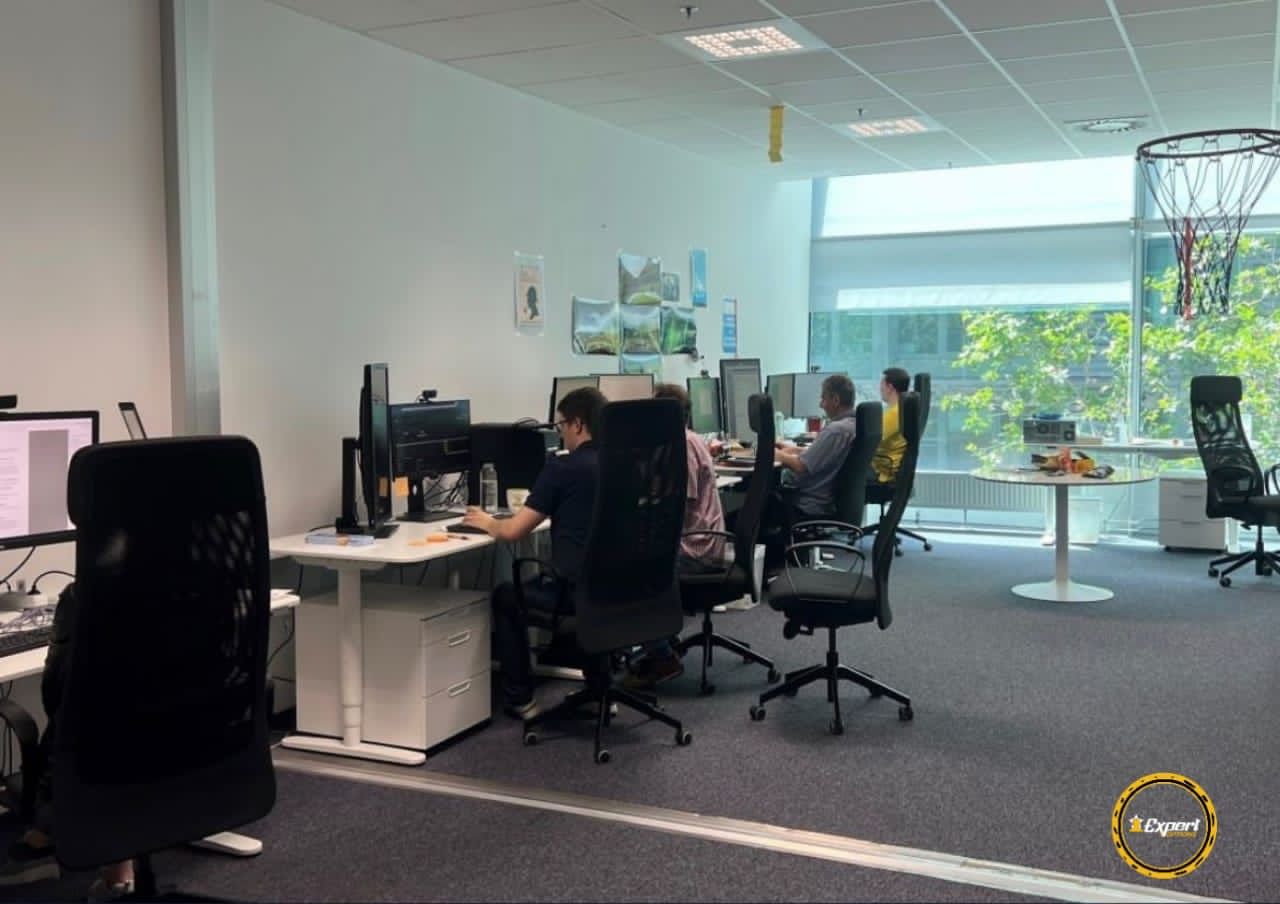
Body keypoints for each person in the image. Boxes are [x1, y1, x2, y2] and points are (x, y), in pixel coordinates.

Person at [462, 386, 604, 719]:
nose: (561, 434)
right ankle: (600, 686)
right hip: (619, 589)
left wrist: (486, 521)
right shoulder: (624, 463)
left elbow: (513, 531)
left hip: (575, 594)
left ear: (578, 424)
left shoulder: (563, 469)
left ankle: (520, 697)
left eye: (561, 426)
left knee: (506, 597)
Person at [0, 584, 135, 899]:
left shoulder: (85, 598)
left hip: (102, 772)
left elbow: (56, 700)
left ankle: (42, 839)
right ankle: (117, 869)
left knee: (73, 721)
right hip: (198, 763)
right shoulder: (208, 590)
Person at [625, 383, 727, 689]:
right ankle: (660, 640)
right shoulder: (686, 440)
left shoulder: (682, 446)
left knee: (629, 573)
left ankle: (662, 655)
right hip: (698, 539)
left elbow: (677, 505)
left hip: (696, 548)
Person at [772, 374, 858, 531]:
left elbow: (801, 467)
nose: (821, 404)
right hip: (825, 500)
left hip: (807, 504)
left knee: (749, 511)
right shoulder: (852, 425)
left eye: (823, 398)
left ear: (836, 400)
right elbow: (826, 455)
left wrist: (777, 455)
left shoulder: (836, 431)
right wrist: (794, 449)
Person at [871, 367, 910, 484]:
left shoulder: (894, 414)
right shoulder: (902, 409)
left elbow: (870, 440)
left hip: (882, 473)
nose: (880, 389)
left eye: (882, 385)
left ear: (890, 387)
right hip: (887, 468)